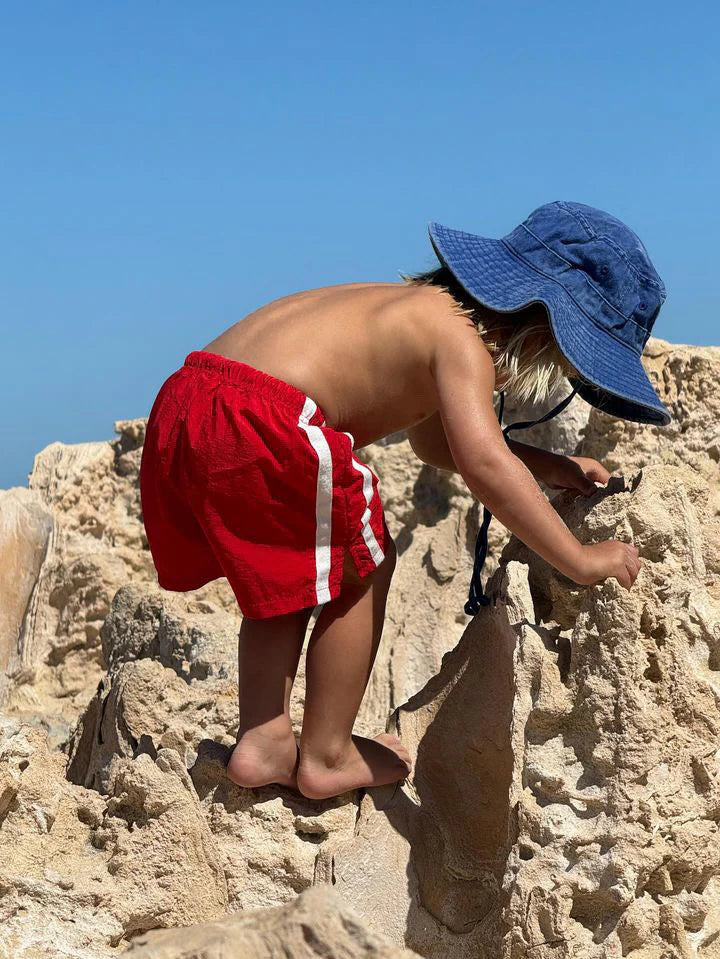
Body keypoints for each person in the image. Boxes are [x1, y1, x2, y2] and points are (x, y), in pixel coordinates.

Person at [139, 201, 670, 800]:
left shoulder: (414, 305)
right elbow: (483, 462)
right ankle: (327, 753)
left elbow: (436, 443)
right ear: (545, 324)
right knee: (366, 567)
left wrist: (552, 467)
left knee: (291, 573)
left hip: (192, 398)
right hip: (267, 416)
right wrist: (578, 558)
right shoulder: (462, 340)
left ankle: (264, 742)